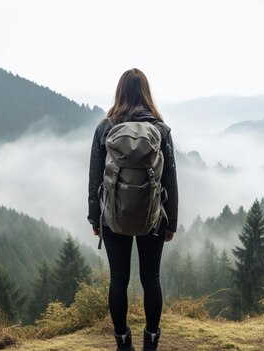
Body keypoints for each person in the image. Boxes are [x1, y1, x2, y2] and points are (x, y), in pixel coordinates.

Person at [88, 68, 178, 351]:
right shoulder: (160, 130)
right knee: (151, 278)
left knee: (119, 279)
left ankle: (123, 342)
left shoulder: (105, 128)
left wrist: (94, 217)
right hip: (153, 217)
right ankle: (151, 342)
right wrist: (171, 221)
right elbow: (170, 180)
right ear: (146, 94)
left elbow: (94, 177)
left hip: (113, 216)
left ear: (120, 92)